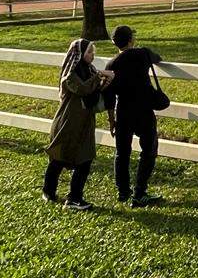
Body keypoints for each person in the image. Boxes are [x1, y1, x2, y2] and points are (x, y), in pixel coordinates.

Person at [43, 39, 113, 210]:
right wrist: (98, 77)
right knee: (58, 157)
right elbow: (82, 89)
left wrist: (104, 83)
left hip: (84, 121)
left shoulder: (90, 70)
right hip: (68, 121)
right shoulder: (71, 75)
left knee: (85, 158)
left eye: (93, 52)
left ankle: (74, 197)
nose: (92, 55)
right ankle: (50, 191)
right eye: (89, 52)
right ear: (79, 54)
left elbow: (93, 92)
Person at [102, 25, 165, 207]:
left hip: (123, 112)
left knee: (122, 153)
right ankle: (140, 191)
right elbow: (158, 59)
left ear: (115, 43)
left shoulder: (111, 65)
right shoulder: (142, 54)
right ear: (131, 40)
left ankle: (123, 192)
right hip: (143, 110)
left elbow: (109, 96)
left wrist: (111, 120)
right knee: (149, 150)